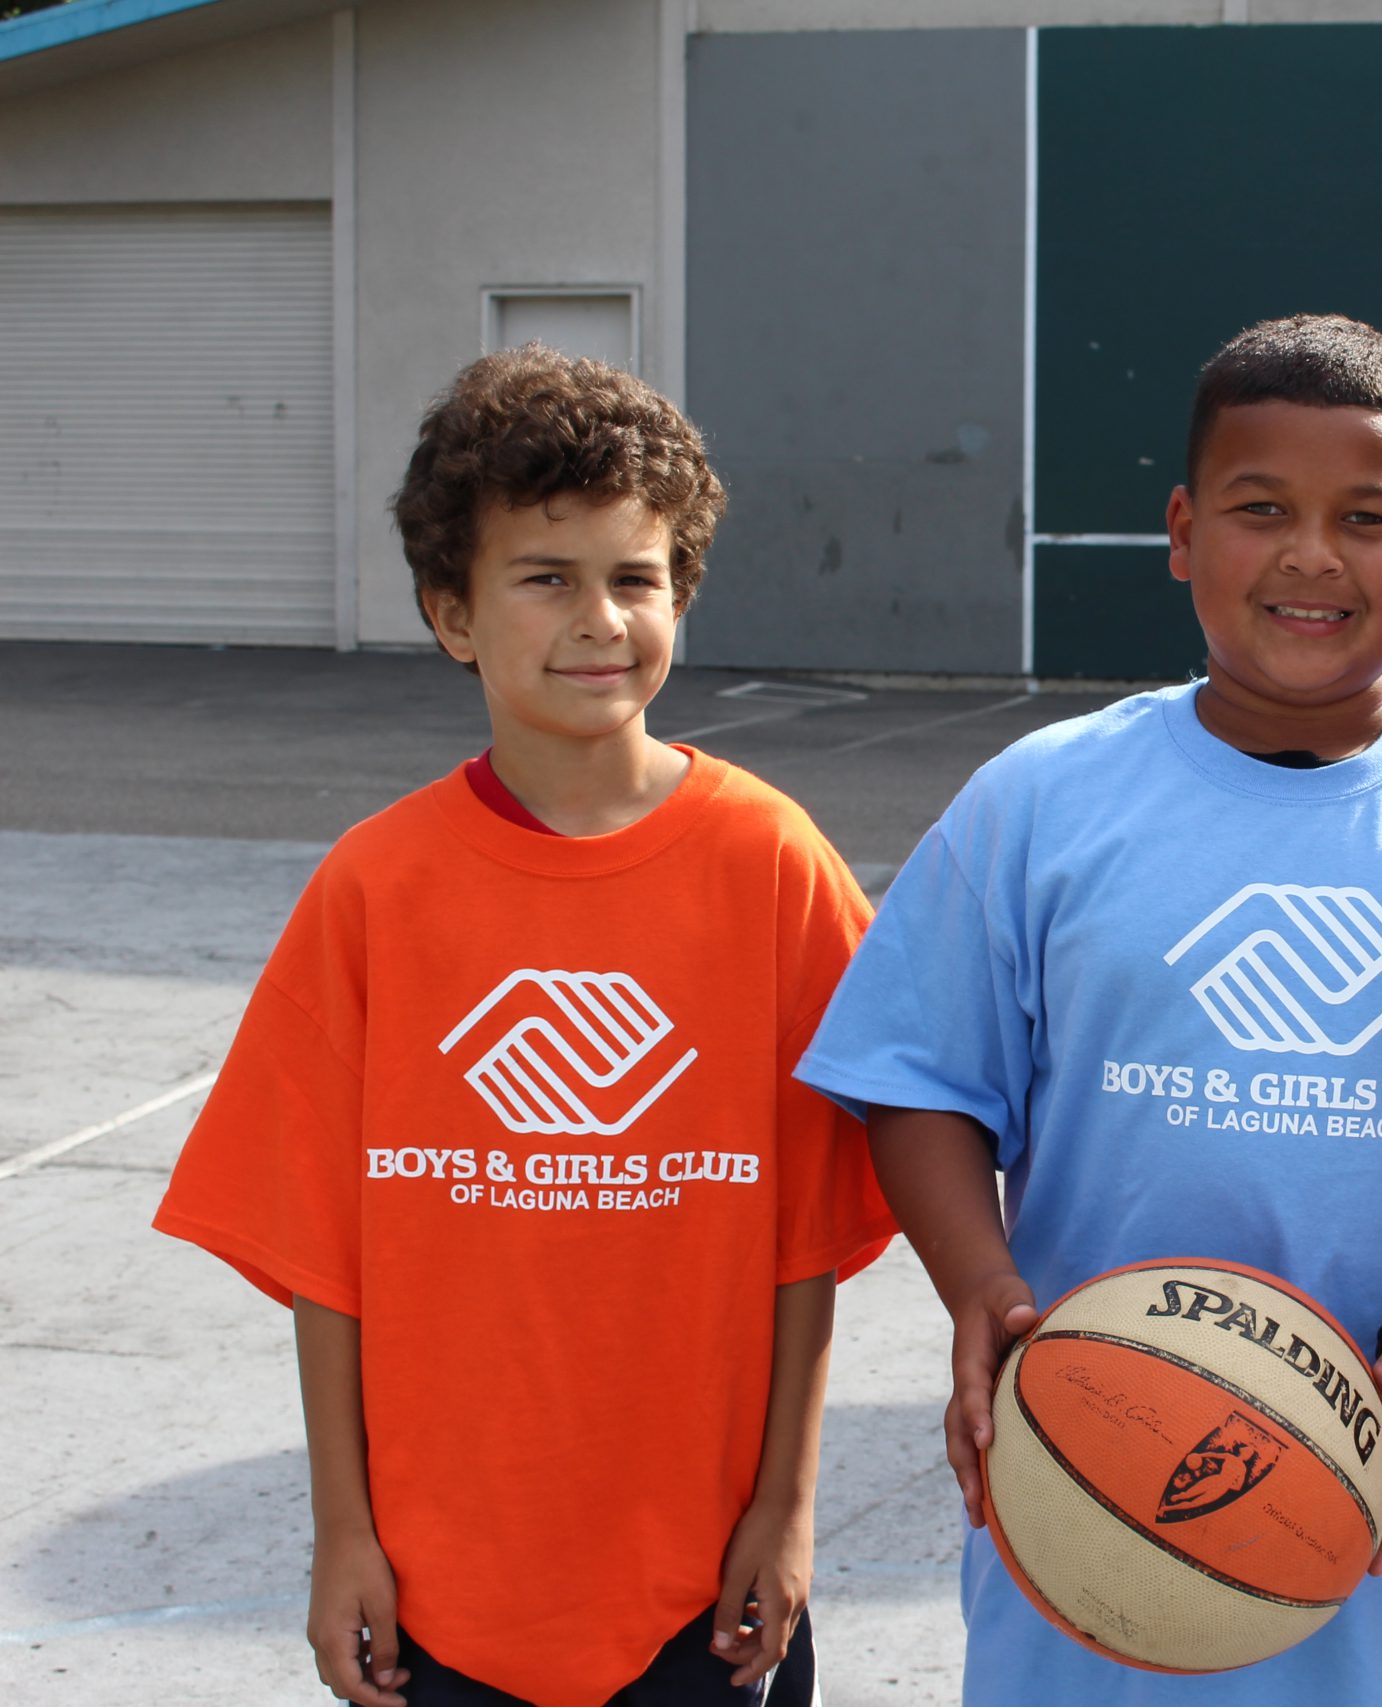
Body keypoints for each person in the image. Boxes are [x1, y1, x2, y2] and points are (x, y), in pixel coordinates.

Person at [795, 313, 1382, 1707]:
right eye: (1262, 511)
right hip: (1088, 1492)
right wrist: (984, 1292)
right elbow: (922, 1078)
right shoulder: (1043, 801)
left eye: (1369, 516)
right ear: (1182, 531)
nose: (1313, 555)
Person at [153, 346, 895, 1707]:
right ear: (452, 612)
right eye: (544, 578)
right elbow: (329, 1254)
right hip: (445, 1591)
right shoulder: (377, 887)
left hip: (703, 1588)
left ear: (682, 595)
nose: (599, 619)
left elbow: (812, 1235)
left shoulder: (771, 865)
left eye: (635, 578)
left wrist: (785, 1512)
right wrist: (344, 1535)